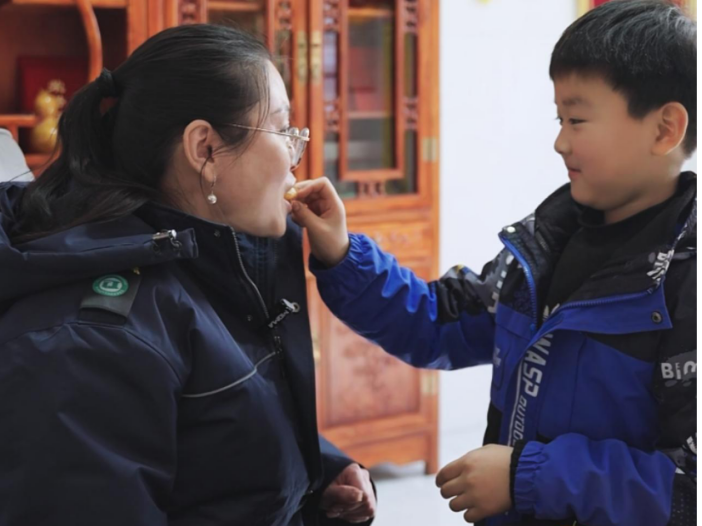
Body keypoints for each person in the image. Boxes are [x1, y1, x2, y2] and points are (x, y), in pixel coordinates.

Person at [291, 1, 697, 525]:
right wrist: (343, 253)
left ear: (664, 130)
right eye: (559, 119)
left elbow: (687, 487)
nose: (560, 141)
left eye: (577, 119)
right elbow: (435, 322)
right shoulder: (546, 244)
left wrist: (525, 477)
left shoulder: (683, 282)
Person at [0, 24, 376, 526]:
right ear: (205, 149)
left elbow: (216, 417)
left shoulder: (214, 259)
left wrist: (319, 469)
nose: (296, 153)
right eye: (283, 129)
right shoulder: (88, 341)